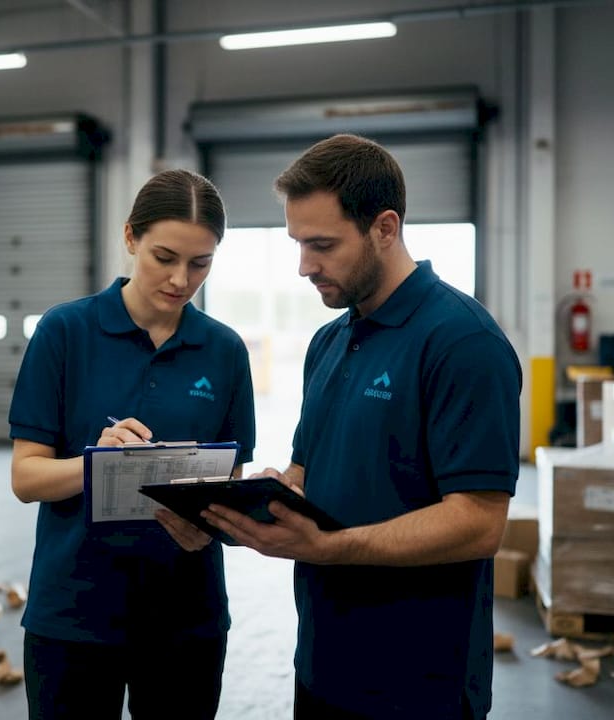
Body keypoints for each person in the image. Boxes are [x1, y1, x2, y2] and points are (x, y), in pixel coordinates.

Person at [202, 134, 521, 719]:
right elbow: (308, 468)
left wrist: (328, 547)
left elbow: (479, 522)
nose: (304, 267)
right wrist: (275, 495)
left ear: (385, 227)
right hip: (323, 665)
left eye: (322, 245)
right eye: (298, 243)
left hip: (420, 682)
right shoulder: (329, 341)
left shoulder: (462, 342)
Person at [8, 168, 256, 719]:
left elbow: (233, 479)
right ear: (130, 238)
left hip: (186, 618)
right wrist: (101, 464)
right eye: (163, 257)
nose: (180, 279)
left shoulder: (224, 351)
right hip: (73, 614)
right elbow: (26, 478)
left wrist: (219, 516)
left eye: (200, 263)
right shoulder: (65, 332)